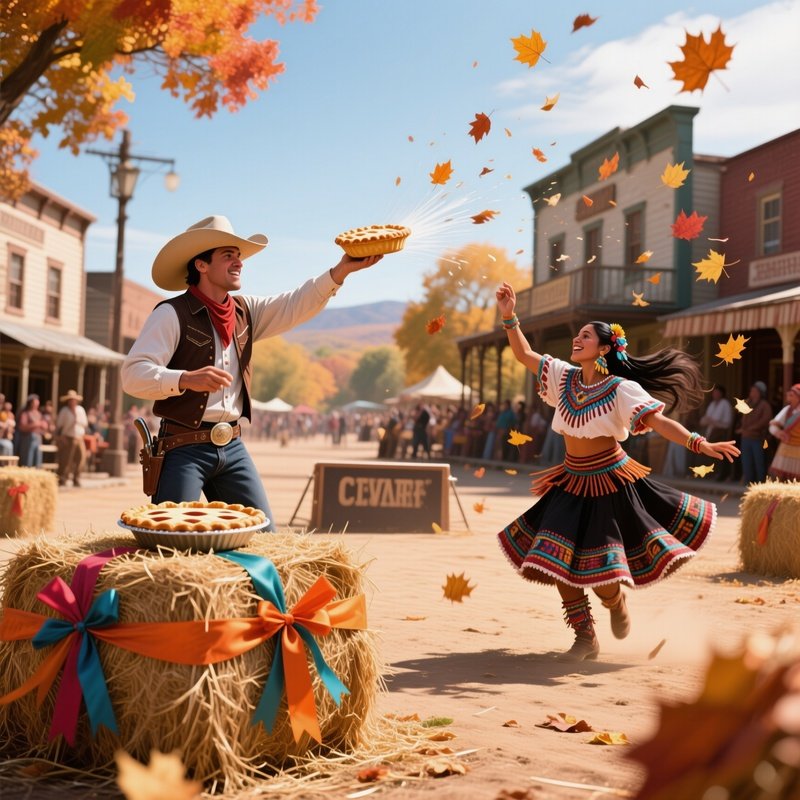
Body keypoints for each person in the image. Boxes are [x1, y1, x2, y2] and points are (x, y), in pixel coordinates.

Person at [494, 282, 739, 661]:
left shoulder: (621, 389)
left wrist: (699, 443)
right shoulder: (562, 377)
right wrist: (510, 316)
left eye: (586, 336)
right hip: (570, 482)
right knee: (554, 561)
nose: (577, 339)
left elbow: (659, 422)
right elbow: (524, 354)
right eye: (577, 335)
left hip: (610, 484)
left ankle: (615, 602)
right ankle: (584, 637)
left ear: (604, 349)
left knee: (601, 570)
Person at [122, 215, 381, 530]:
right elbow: (132, 374)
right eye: (228, 255)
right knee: (172, 538)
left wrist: (340, 271)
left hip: (232, 445)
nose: (239, 262)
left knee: (265, 535)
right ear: (201, 265)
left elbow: (295, 304)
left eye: (238, 255)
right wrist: (185, 379)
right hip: (182, 447)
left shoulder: (247, 310)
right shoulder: (170, 313)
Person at [737, 381, 772, 485]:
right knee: (746, 461)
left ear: (760, 393)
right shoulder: (747, 403)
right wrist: (743, 429)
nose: (752, 393)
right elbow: (743, 418)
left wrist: (751, 428)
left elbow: (765, 420)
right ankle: (748, 481)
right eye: (751, 391)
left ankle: (760, 482)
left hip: (758, 438)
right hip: (745, 437)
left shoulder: (765, 405)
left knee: (759, 462)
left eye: (755, 391)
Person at [699, 386, 734, 481]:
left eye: (717, 392)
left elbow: (727, 422)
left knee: (719, 455)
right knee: (710, 453)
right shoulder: (712, 404)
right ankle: (711, 473)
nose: (715, 394)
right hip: (711, 432)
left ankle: (720, 474)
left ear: (721, 394)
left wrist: (712, 421)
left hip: (721, 433)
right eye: (714, 393)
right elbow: (705, 419)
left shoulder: (725, 404)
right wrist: (708, 421)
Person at [55, 389, 88, 487]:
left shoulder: (80, 410)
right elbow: (59, 425)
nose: (72, 401)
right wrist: (61, 437)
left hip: (79, 437)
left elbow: (85, 424)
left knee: (81, 458)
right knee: (66, 459)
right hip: (68, 437)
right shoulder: (64, 411)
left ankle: (76, 478)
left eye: (74, 400)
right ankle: (62, 478)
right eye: (70, 400)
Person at [767, 383, 800, 481]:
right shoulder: (787, 410)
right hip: (785, 447)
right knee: (779, 478)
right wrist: (778, 433)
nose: (789, 396)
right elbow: (773, 425)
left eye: (792, 395)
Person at [16, 394, 48, 467]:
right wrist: (35, 424)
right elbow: (22, 427)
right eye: (34, 402)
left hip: (38, 438)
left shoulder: (39, 414)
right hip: (28, 438)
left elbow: (44, 427)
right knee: (28, 459)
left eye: (37, 402)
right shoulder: (25, 413)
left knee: (37, 459)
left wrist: (44, 426)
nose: (36, 403)